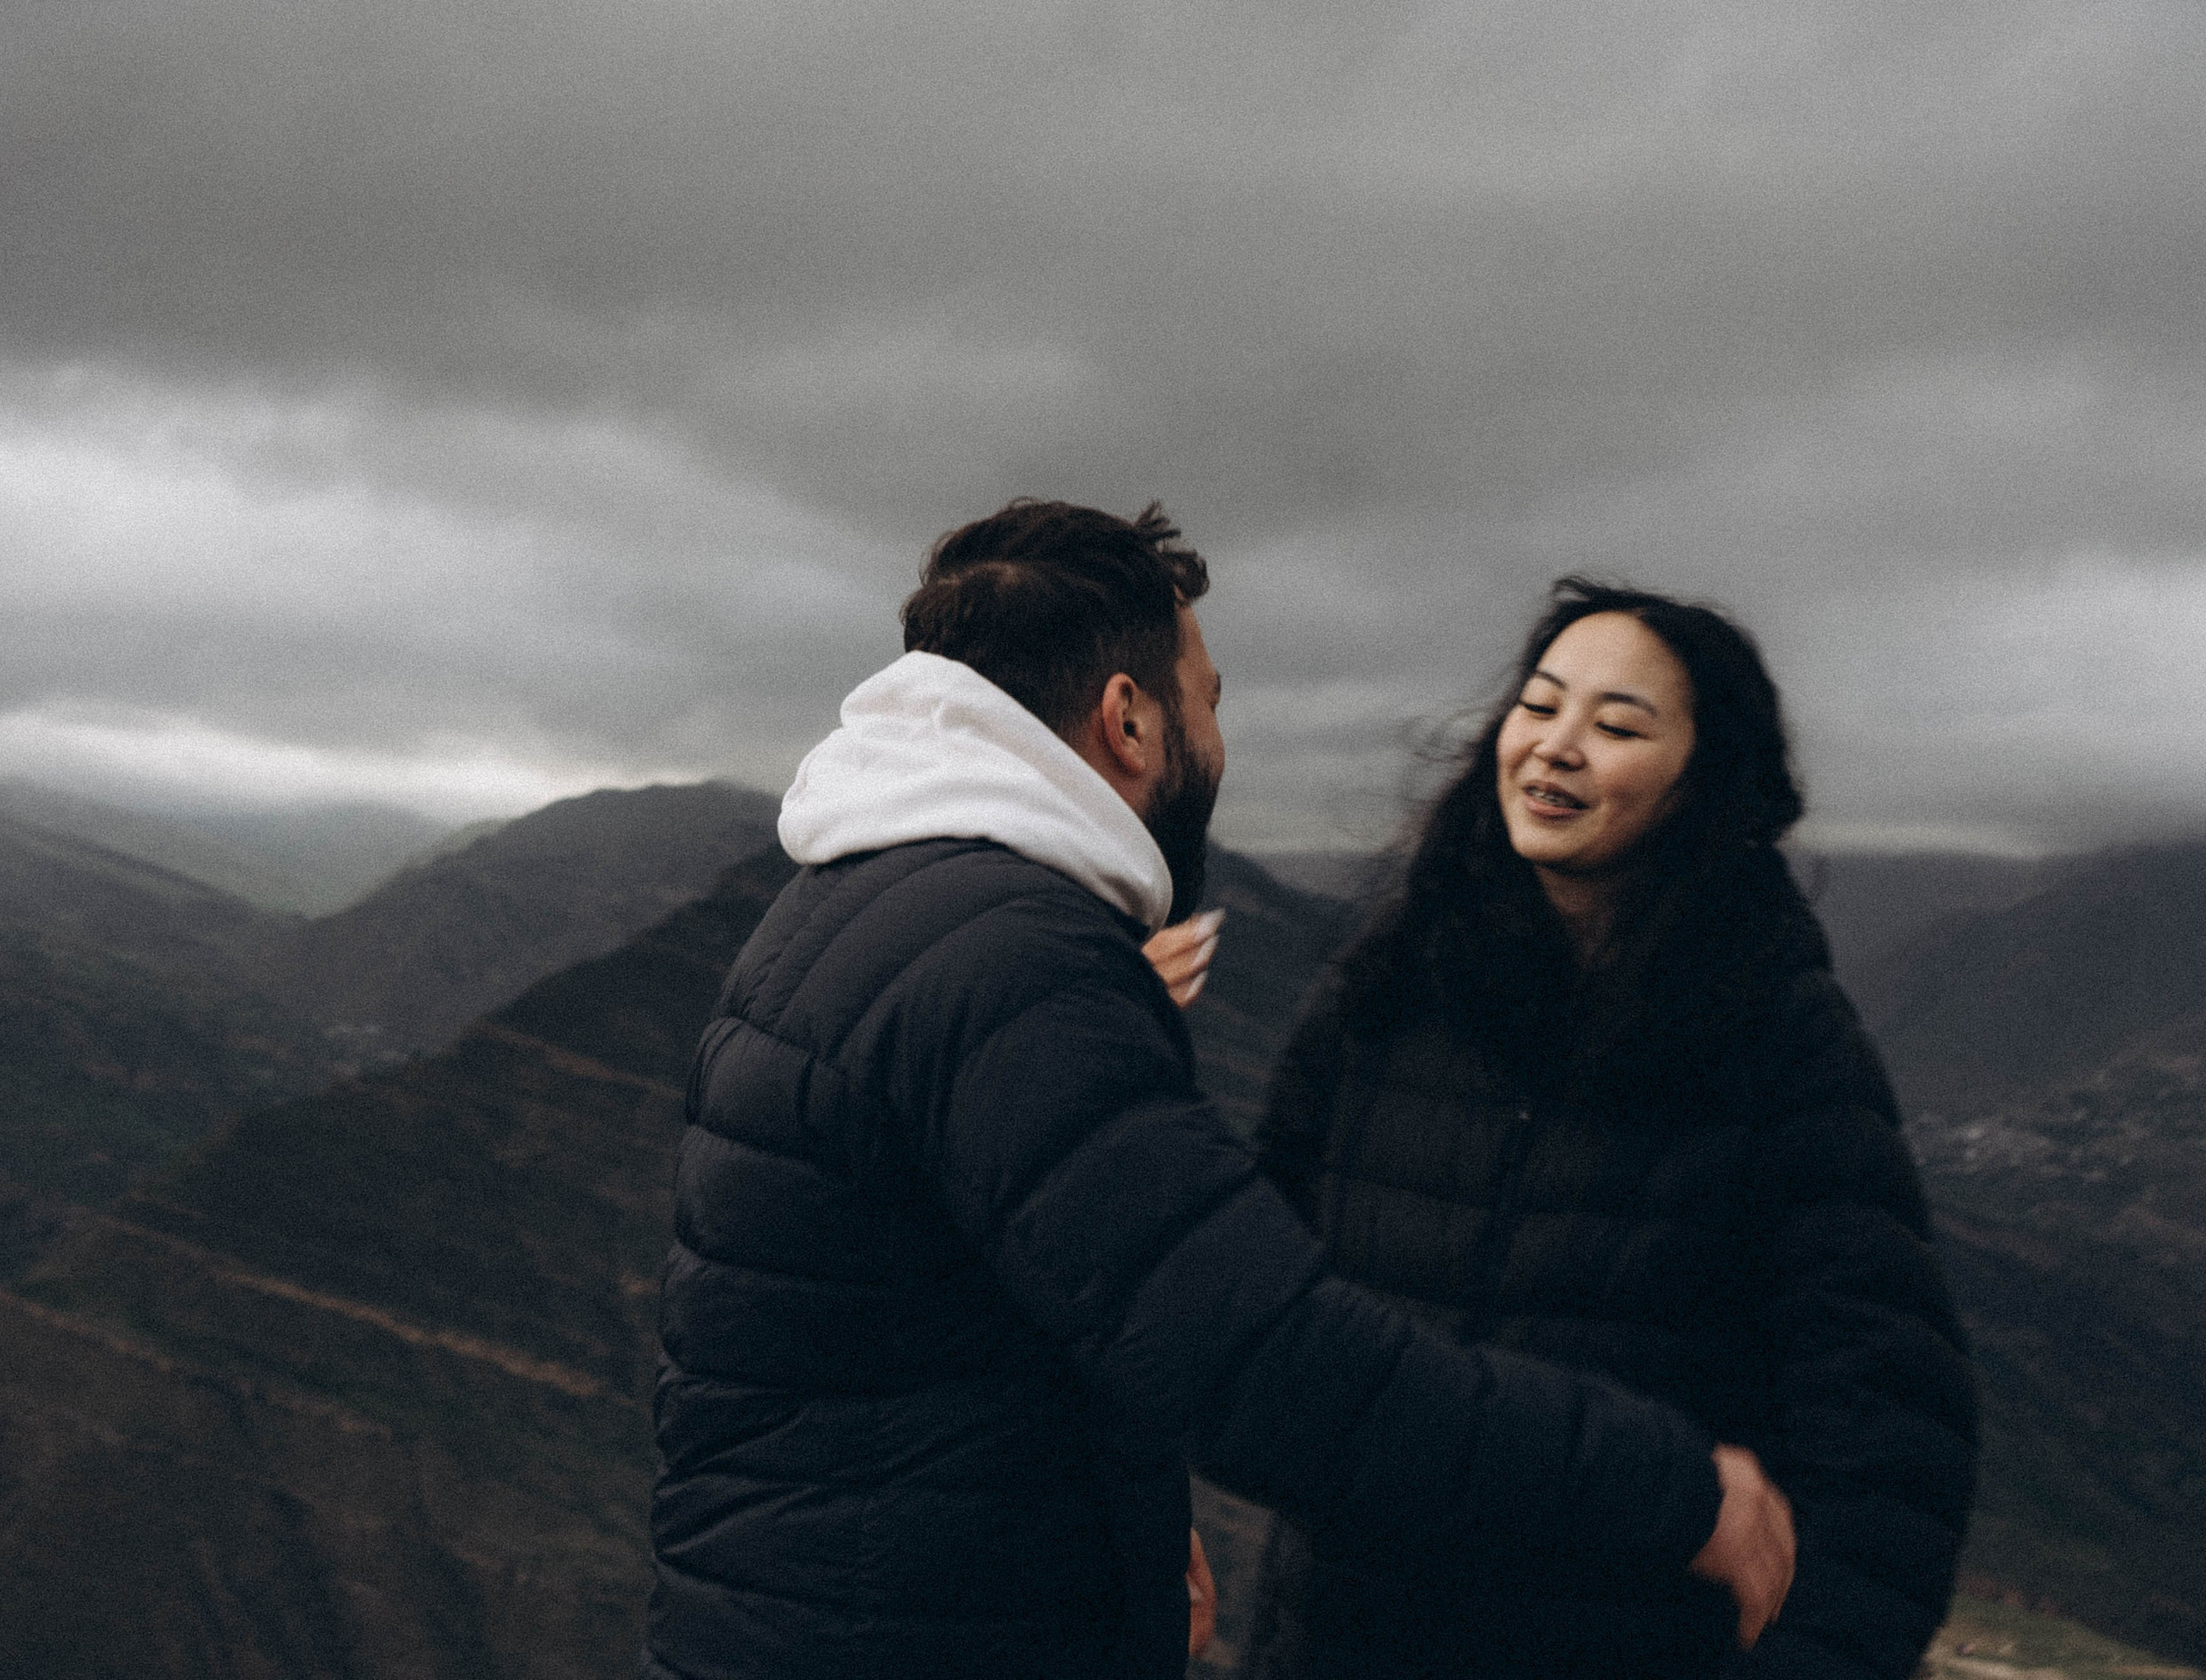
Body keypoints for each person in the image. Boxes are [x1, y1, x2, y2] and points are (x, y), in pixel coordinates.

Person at [643, 506, 1796, 1680]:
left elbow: (951, 1327)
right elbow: (1264, 1362)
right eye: (1209, 697)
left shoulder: (865, 902)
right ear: (1130, 720)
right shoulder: (1011, 967)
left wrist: (1114, 1542)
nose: (1217, 735)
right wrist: (1670, 1489)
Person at [1247, 579, 1979, 1678]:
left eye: (1618, 724)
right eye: (1539, 707)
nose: (1556, 747)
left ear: (1699, 782)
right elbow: (1249, 1301)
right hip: (1340, 1641)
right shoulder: (1389, 990)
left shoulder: (1773, 1035)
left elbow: (1888, 1421)